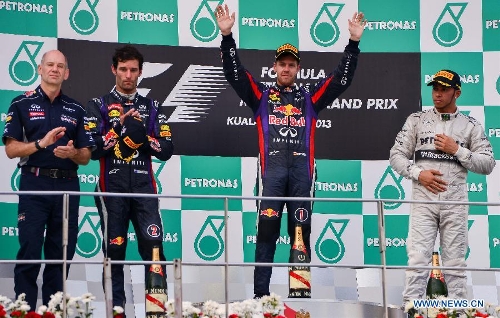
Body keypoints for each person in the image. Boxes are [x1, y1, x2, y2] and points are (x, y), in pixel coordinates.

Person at [215, 4, 367, 298]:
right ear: (274, 67)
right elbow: (235, 75)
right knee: (266, 235)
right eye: (282, 64)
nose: (286, 68)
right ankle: (260, 299)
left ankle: (300, 299)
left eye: (291, 64)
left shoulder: (309, 99)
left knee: (301, 234)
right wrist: (226, 36)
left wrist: (353, 44)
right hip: (271, 177)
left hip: (301, 177)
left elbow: (341, 81)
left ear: (298, 68)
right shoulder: (261, 96)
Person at [389, 69, 495, 314]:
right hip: (423, 202)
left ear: (456, 92)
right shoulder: (416, 120)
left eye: (443, 89)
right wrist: (418, 174)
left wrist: (457, 150)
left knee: (455, 264)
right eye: (434, 88)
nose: (437, 93)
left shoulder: (470, 125)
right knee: (417, 260)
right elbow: (396, 156)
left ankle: (458, 312)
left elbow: (488, 163)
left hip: (455, 204)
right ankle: (411, 310)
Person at [2, 50, 95, 310]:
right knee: (30, 250)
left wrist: (73, 153)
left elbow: (86, 156)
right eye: (49, 65)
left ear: (66, 73)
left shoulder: (77, 109)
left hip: (67, 185)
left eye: (60, 66)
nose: (54, 69)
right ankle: (26, 312)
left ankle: (53, 312)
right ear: (40, 69)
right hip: (34, 184)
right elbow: (11, 150)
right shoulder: (20, 103)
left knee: (61, 254)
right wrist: (40, 144)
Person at [85, 45, 174, 309]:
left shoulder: (152, 107)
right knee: (114, 252)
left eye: (133, 70)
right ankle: (118, 312)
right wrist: (118, 128)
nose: (128, 75)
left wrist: (140, 136)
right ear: (114, 69)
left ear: (140, 72)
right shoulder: (97, 105)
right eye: (123, 69)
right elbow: (92, 149)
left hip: (144, 189)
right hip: (111, 189)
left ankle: (156, 311)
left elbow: (166, 149)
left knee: (154, 247)